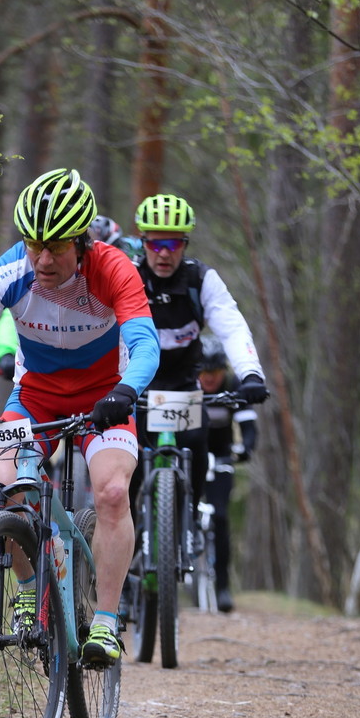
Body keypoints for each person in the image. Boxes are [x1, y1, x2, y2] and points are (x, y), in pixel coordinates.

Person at [0, 167, 160, 665]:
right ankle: (29, 591)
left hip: (105, 393)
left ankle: (107, 622)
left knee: (111, 492)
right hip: (35, 395)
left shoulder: (113, 268)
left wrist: (127, 391)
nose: (42, 259)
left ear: (81, 242)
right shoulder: (8, 272)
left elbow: (145, 343)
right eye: (33, 244)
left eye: (56, 247)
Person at [129, 193, 268, 524]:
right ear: (143, 242)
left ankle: (186, 523)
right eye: (156, 243)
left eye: (174, 244)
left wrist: (251, 374)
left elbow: (232, 328)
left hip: (182, 387)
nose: (164, 253)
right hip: (134, 386)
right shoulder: (127, 275)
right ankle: (127, 538)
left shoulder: (201, 280)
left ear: (185, 244)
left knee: (196, 444)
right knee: (125, 476)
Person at [199, 338, 259, 613]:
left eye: (215, 372)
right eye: (203, 372)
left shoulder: (234, 386)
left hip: (222, 458)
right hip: (189, 456)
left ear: (224, 371)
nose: (209, 378)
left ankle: (223, 587)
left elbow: (248, 425)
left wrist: (246, 447)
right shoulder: (186, 385)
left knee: (220, 517)